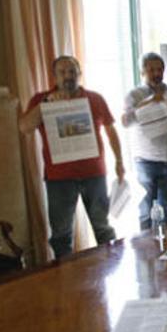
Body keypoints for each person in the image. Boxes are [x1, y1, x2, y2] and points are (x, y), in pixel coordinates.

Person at [19, 55, 124, 259]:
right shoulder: (41, 99)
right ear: (54, 76)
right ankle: (64, 279)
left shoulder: (95, 98)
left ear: (79, 73)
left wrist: (119, 161)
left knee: (103, 228)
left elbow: (111, 130)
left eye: (72, 71)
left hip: (94, 174)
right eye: (62, 72)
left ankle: (113, 266)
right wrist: (45, 104)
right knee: (61, 235)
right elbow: (24, 128)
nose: (68, 76)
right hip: (59, 178)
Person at [122, 52, 167, 230]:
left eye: (159, 69)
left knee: (166, 207)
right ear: (142, 71)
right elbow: (126, 121)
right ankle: (145, 250)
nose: (156, 73)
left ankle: (162, 245)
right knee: (145, 209)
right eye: (151, 69)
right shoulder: (134, 95)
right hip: (146, 160)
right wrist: (151, 101)